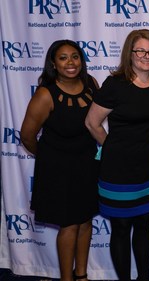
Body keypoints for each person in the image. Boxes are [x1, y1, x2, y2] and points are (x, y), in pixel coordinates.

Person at [85, 29, 149, 281]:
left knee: (144, 225)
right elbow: (92, 123)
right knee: (121, 228)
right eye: (140, 51)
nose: (147, 56)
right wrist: (113, 148)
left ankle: (143, 278)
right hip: (118, 171)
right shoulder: (115, 85)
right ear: (129, 54)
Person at [20, 40, 99, 281]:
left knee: (85, 220)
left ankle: (82, 275)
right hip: (58, 168)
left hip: (87, 163)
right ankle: (67, 279)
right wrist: (49, 157)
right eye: (63, 58)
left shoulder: (92, 85)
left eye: (75, 56)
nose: (70, 63)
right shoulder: (46, 94)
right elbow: (27, 136)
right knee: (69, 224)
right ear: (53, 63)